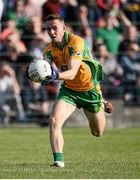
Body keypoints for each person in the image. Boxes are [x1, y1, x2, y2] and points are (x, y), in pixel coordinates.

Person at [28, 13, 113, 168]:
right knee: (54, 121)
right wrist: (39, 75)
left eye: (55, 28)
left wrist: (54, 75)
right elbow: (45, 69)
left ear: (64, 28)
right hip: (69, 91)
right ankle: (58, 160)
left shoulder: (77, 42)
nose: (51, 32)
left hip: (89, 90)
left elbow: (72, 72)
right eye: (48, 29)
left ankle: (101, 100)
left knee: (97, 132)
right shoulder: (48, 49)